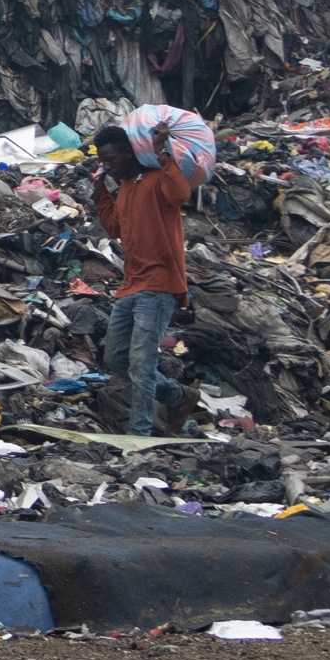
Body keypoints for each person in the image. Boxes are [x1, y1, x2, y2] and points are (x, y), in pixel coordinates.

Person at [87, 124, 195, 437]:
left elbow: (181, 193)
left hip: (159, 284)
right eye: (102, 160)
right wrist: (99, 189)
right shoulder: (126, 186)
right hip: (131, 284)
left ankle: (140, 436)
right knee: (116, 357)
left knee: (141, 362)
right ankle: (177, 396)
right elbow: (115, 227)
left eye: (111, 158)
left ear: (129, 152)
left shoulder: (157, 177)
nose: (107, 164)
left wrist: (161, 153)